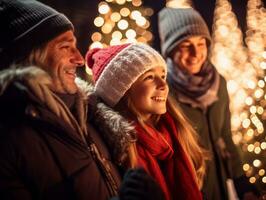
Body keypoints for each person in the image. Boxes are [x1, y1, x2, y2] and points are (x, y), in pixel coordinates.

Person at [0, 0, 164, 200]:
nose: (79, 59)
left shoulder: (90, 116)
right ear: (33, 56)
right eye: (66, 47)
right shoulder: (10, 139)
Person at [158, 7, 260, 200]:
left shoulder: (218, 82)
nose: (196, 52)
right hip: (190, 188)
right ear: (171, 51)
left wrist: (241, 182)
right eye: (185, 45)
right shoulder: (164, 91)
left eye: (201, 43)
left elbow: (225, 136)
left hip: (221, 184)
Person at [85, 43, 209, 200]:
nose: (163, 85)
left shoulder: (178, 135)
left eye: (163, 76)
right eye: (149, 77)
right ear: (122, 91)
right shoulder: (114, 149)